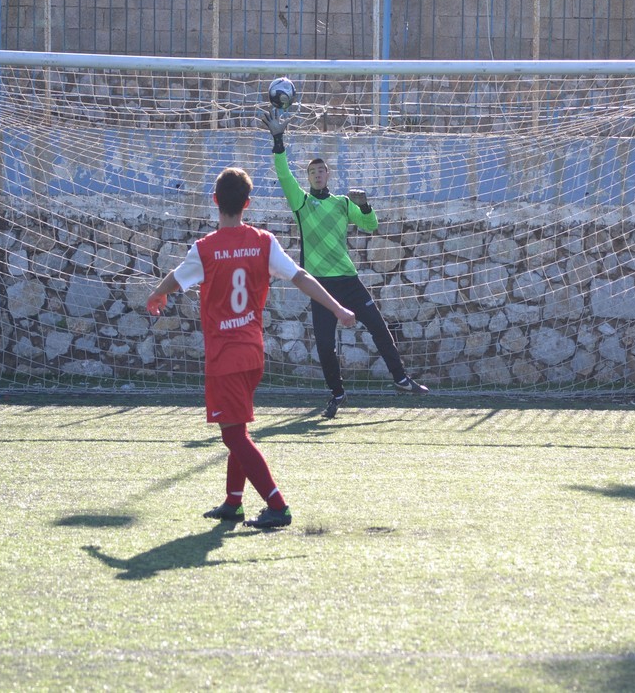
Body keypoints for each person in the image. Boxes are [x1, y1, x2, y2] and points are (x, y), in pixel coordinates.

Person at [147, 166, 356, 529]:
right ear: (248, 203)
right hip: (252, 353)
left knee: (232, 435)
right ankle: (233, 502)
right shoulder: (264, 242)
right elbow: (301, 276)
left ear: (215, 201)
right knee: (238, 429)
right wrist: (337, 308)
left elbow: (176, 279)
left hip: (224, 357)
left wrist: (156, 294)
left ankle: (277, 505)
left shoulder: (204, 249)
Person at [262, 82, 429, 420]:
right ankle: (337, 394)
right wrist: (278, 141)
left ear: (328, 174)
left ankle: (400, 378)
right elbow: (283, 175)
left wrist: (364, 205)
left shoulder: (341, 203)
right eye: (312, 171)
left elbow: (370, 225)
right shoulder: (301, 202)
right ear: (308, 178)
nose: (317, 174)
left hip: (348, 280)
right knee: (326, 344)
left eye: (321, 170)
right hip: (320, 285)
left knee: (378, 327)